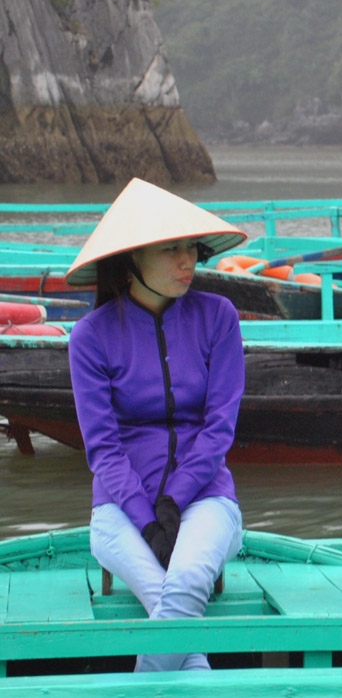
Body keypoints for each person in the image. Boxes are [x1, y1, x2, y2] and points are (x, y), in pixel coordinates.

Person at [65, 178, 249, 671]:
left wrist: (173, 501)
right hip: (118, 514)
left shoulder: (219, 318)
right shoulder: (90, 339)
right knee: (175, 606)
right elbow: (103, 449)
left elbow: (219, 428)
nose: (187, 260)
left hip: (209, 500)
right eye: (170, 249)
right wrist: (148, 520)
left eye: (190, 247)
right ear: (130, 260)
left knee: (185, 583)